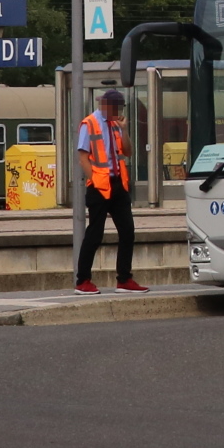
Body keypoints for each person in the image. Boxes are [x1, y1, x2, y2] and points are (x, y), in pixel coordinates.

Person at [73, 88, 143, 294]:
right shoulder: (89, 124)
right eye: (117, 108)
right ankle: (83, 281)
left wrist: (124, 130)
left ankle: (124, 279)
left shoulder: (115, 124)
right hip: (99, 186)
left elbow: (128, 152)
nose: (119, 112)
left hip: (118, 184)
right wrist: (95, 180)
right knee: (95, 233)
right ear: (106, 106)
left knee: (127, 231)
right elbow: (83, 158)